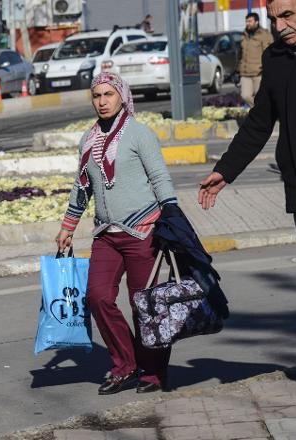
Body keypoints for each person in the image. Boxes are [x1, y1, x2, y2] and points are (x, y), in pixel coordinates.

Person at [199, 0, 296, 396]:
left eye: (287, 15)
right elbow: (259, 123)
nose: (280, 25)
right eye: (274, 18)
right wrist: (225, 170)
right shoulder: (276, 57)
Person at [56, 72, 178, 395]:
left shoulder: (139, 134)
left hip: (142, 231)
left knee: (145, 306)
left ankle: (153, 372)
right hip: (106, 234)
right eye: (97, 96)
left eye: (108, 95)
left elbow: (160, 177)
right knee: (97, 296)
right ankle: (126, 364)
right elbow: (81, 187)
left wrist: (173, 213)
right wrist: (68, 226)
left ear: (122, 96)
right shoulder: (88, 139)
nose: (102, 101)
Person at [238, 12, 273, 107]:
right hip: (245, 73)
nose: (247, 23)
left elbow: (269, 53)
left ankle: (263, 113)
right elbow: (240, 53)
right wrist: (238, 68)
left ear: (256, 22)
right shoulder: (244, 35)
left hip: (259, 72)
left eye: (250, 21)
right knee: (245, 96)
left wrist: (266, 68)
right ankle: (261, 110)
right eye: (246, 21)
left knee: (261, 96)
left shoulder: (264, 35)